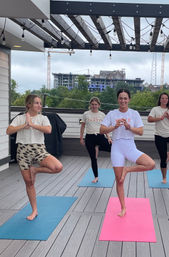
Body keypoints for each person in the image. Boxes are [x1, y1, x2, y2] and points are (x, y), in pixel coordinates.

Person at [6, 94, 63, 221]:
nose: (39, 105)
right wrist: (24, 125)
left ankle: (35, 170)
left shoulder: (43, 118)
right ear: (29, 105)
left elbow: (48, 130)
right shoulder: (20, 118)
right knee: (29, 182)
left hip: (38, 149)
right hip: (22, 150)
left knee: (58, 167)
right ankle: (34, 210)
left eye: (40, 103)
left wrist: (31, 124)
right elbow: (8, 131)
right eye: (36, 103)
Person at [100, 89, 155, 217]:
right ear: (117, 100)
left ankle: (127, 170)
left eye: (125, 98)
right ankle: (123, 207)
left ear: (129, 99)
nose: (123, 100)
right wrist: (114, 126)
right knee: (119, 181)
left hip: (130, 147)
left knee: (150, 164)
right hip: (117, 147)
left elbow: (140, 131)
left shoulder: (134, 113)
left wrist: (129, 127)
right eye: (121, 98)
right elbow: (101, 130)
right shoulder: (112, 114)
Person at [80, 97, 112, 183]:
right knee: (93, 158)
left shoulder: (102, 115)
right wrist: (81, 138)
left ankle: (99, 147)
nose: (94, 106)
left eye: (96, 104)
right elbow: (82, 126)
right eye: (92, 104)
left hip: (100, 136)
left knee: (112, 148)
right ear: (90, 105)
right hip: (89, 137)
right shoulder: (86, 114)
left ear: (99, 105)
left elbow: (105, 127)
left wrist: (108, 137)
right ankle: (96, 177)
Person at [148, 92, 169, 184]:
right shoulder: (155, 109)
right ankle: (164, 177)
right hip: (159, 135)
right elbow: (149, 119)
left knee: (165, 156)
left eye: (166, 98)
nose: (164, 100)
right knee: (163, 158)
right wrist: (160, 118)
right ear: (160, 100)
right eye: (163, 98)